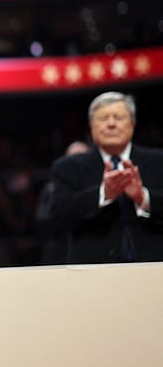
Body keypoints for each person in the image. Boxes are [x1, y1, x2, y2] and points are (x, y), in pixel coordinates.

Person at [50, 92, 163, 263]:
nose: (111, 124)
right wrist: (103, 194)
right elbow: (59, 215)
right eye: (103, 118)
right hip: (92, 268)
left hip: (154, 266)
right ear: (91, 126)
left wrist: (143, 197)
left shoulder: (158, 161)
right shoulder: (67, 167)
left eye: (118, 117)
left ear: (132, 124)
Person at [35, 140, 89, 264]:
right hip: (58, 253)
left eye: (81, 158)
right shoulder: (52, 189)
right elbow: (41, 223)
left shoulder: (100, 189)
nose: (76, 163)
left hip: (88, 253)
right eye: (72, 158)